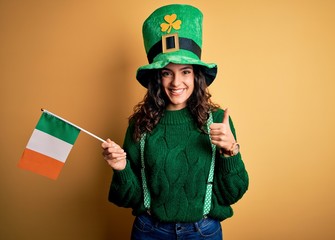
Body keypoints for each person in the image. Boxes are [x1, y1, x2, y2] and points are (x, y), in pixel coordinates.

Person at [102, 4, 249, 239]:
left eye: (186, 71)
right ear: (156, 78)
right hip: (150, 231)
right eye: (166, 73)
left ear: (197, 76)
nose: (176, 82)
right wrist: (121, 170)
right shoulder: (140, 124)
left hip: (203, 232)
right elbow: (125, 198)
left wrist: (231, 152)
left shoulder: (218, 121)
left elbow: (233, 194)